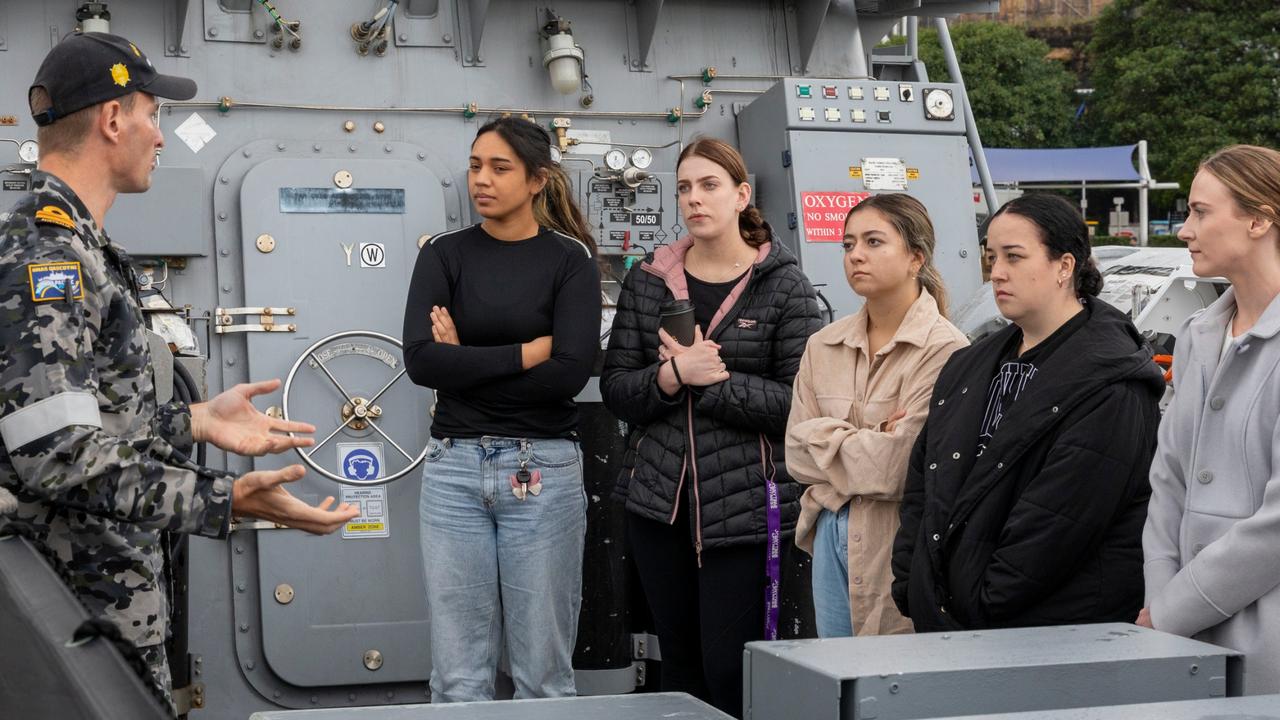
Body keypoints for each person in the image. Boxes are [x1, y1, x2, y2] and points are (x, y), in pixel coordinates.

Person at [0, 32, 359, 710]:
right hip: (75, 623)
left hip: (96, 611)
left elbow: (84, 421)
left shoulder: (77, 245)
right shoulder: (51, 256)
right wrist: (228, 499)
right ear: (113, 120)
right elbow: (56, 457)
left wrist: (194, 418)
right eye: (152, 115)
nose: (160, 138)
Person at [600, 136, 821, 717]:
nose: (694, 199)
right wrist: (672, 374)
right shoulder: (649, 281)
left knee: (729, 670)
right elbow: (617, 388)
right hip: (658, 507)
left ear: (742, 195)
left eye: (709, 185)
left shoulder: (783, 286)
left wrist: (712, 383)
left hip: (744, 511)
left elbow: (801, 404)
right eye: (684, 188)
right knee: (680, 669)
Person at [891, 193, 1164, 632]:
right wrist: (913, 584)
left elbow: (1058, 526)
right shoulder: (968, 365)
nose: (997, 272)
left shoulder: (1112, 384)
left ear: (1065, 266)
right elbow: (925, 482)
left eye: (1014, 257)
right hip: (952, 619)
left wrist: (979, 603)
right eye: (992, 257)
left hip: (1048, 637)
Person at [402, 116, 601, 702]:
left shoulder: (571, 260)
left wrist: (465, 363)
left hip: (542, 471)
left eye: (499, 168)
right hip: (453, 470)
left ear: (538, 179)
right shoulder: (443, 255)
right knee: (458, 678)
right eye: (474, 165)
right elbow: (421, 363)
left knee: (543, 675)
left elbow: (568, 373)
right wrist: (523, 353)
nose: (481, 180)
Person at [786, 194, 967, 638]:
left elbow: (898, 468)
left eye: (873, 242)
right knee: (837, 682)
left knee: (890, 684)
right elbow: (794, 453)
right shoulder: (822, 345)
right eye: (848, 245)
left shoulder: (945, 349)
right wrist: (872, 436)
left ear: (915, 257)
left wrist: (828, 438)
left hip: (896, 538)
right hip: (828, 529)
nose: (856, 256)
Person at [1141, 144, 1280, 694]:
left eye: (1200, 212)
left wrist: (1171, 609)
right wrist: (1161, 602)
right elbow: (1167, 479)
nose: (1183, 230)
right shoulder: (1199, 334)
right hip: (1179, 639)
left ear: (1260, 218)